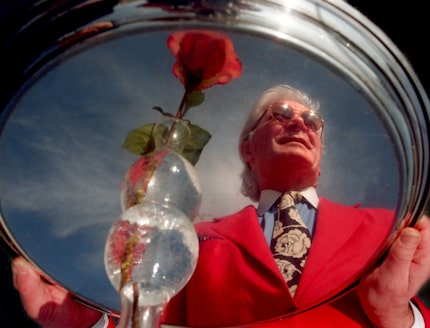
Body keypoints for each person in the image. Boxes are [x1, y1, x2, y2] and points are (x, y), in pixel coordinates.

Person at [11, 84, 430, 328]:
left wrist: (398, 316)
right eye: (280, 114)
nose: (300, 124)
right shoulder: (193, 240)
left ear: (319, 153)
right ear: (247, 147)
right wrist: (97, 326)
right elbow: (153, 317)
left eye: (312, 122)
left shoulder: (388, 228)